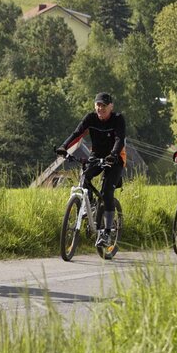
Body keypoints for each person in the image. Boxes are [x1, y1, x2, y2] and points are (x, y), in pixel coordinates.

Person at [55, 92, 126, 243]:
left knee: (107, 192)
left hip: (115, 158)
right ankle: (90, 208)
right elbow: (77, 133)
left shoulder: (118, 119)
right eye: (98, 105)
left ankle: (107, 233)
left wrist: (113, 154)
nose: (100, 108)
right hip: (96, 155)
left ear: (111, 107)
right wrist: (64, 146)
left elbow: (120, 140)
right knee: (85, 177)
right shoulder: (90, 118)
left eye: (104, 106)